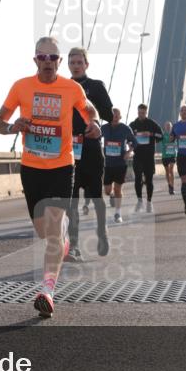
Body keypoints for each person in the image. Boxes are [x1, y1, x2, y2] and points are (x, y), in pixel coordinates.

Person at [0, 36, 99, 318]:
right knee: (46, 234)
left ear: (59, 62)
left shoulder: (72, 87)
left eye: (54, 58)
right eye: (43, 57)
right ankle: (62, 240)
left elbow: (88, 109)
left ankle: (47, 292)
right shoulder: (21, 87)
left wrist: (95, 123)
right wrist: (12, 127)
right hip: (31, 169)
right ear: (35, 60)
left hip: (62, 167)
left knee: (52, 232)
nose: (48, 63)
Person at [66, 47, 113, 261]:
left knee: (96, 198)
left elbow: (108, 113)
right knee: (71, 202)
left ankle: (102, 234)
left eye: (79, 62)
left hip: (92, 148)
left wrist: (86, 103)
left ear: (86, 65)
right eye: (72, 62)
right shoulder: (62, 87)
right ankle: (73, 246)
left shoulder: (95, 86)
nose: (75, 66)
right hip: (69, 151)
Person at [101, 107, 135, 223]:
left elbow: (134, 142)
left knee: (118, 189)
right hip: (108, 164)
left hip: (120, 163)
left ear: (120, 117)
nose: (115, 117)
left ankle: (118, 213)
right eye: (113, 115)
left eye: (117, 116)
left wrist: (128, 152)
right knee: (107, 190)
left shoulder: (125, 129)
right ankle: (111, 196)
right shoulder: (104, 128)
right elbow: (95, 138)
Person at [129, 103, 163, 213]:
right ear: (137, 112)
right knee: (137, 179)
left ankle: (149, 202)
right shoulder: (132, 125)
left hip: (149, 156)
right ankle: (139, 201)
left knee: (149, 180)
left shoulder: (152, 124)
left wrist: (151, 134)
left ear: (146, 112)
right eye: (139, 113)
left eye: (143, 113)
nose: (141, 115)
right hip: (137, 156)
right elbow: (127, 138)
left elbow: (160, 136)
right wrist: (131, 142)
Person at [160, 120, 177, 195]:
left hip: (172, 155)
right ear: (164, 127)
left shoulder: (174, 134)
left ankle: (172, 187)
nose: (168, 127)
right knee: (167, 171)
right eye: (167, 126)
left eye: (169, 126)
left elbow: (177, 142)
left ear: (171, 127)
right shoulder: (163, 135)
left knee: (171, 169)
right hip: (165, 155)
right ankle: (169, 185)